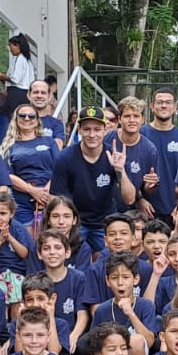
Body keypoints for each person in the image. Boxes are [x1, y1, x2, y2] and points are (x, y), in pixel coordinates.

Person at [52, 107, 137, 253]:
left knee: (111, 262)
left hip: (106, 220)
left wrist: (120, 170)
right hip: (76, 222)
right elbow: (55, 197)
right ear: (79, 129)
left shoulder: (114, 156)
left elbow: (129, 199)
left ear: (105, 130)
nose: (92, 135)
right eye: (87, 129)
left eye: (97, 129)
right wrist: (64, 224)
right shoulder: (65, 158)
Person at [105, 96, 163, 221]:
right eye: (127, 116)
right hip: (104, 207)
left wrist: (151, 185)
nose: (132, 120)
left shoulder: (149, 150)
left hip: (131, 211)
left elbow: (147, 189)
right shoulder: (107, 139)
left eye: (136, 116)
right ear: (120, 119)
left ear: (142, 120)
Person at [1, 101, 57, 225]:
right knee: (26, 240)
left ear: (37, 121)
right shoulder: (9, 146)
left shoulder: (49, 142)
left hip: (51, 196)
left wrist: (45, 192)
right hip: (22, 202)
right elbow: (8, 175)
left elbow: (60, 168)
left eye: (31, 116)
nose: (27, 119)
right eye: (22, 116)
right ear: (16, 119)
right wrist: (33, 191)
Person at [141, 87, 178, 212]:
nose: (164, 105)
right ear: (152, 106)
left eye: (168, 102)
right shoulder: (141, 134)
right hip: (147, 209)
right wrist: (139, 199)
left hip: (175, 209)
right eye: (159, 102)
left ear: (175, 107)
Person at [0, 33, 34, 113]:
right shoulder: (27, 61)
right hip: (24, 94)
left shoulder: (20, 58)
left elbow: (16, 79)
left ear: (17, 46)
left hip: (17, 94)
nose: (10, 49)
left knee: (14, 117)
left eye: (10, 46)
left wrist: (2, 76)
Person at [29, 79, 65, 148]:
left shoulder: (56, 124)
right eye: (36, 92)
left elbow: (58, 147)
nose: (39, 96)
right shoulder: (20, 120)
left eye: (43, 93)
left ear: (50, 96)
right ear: (28, 95)